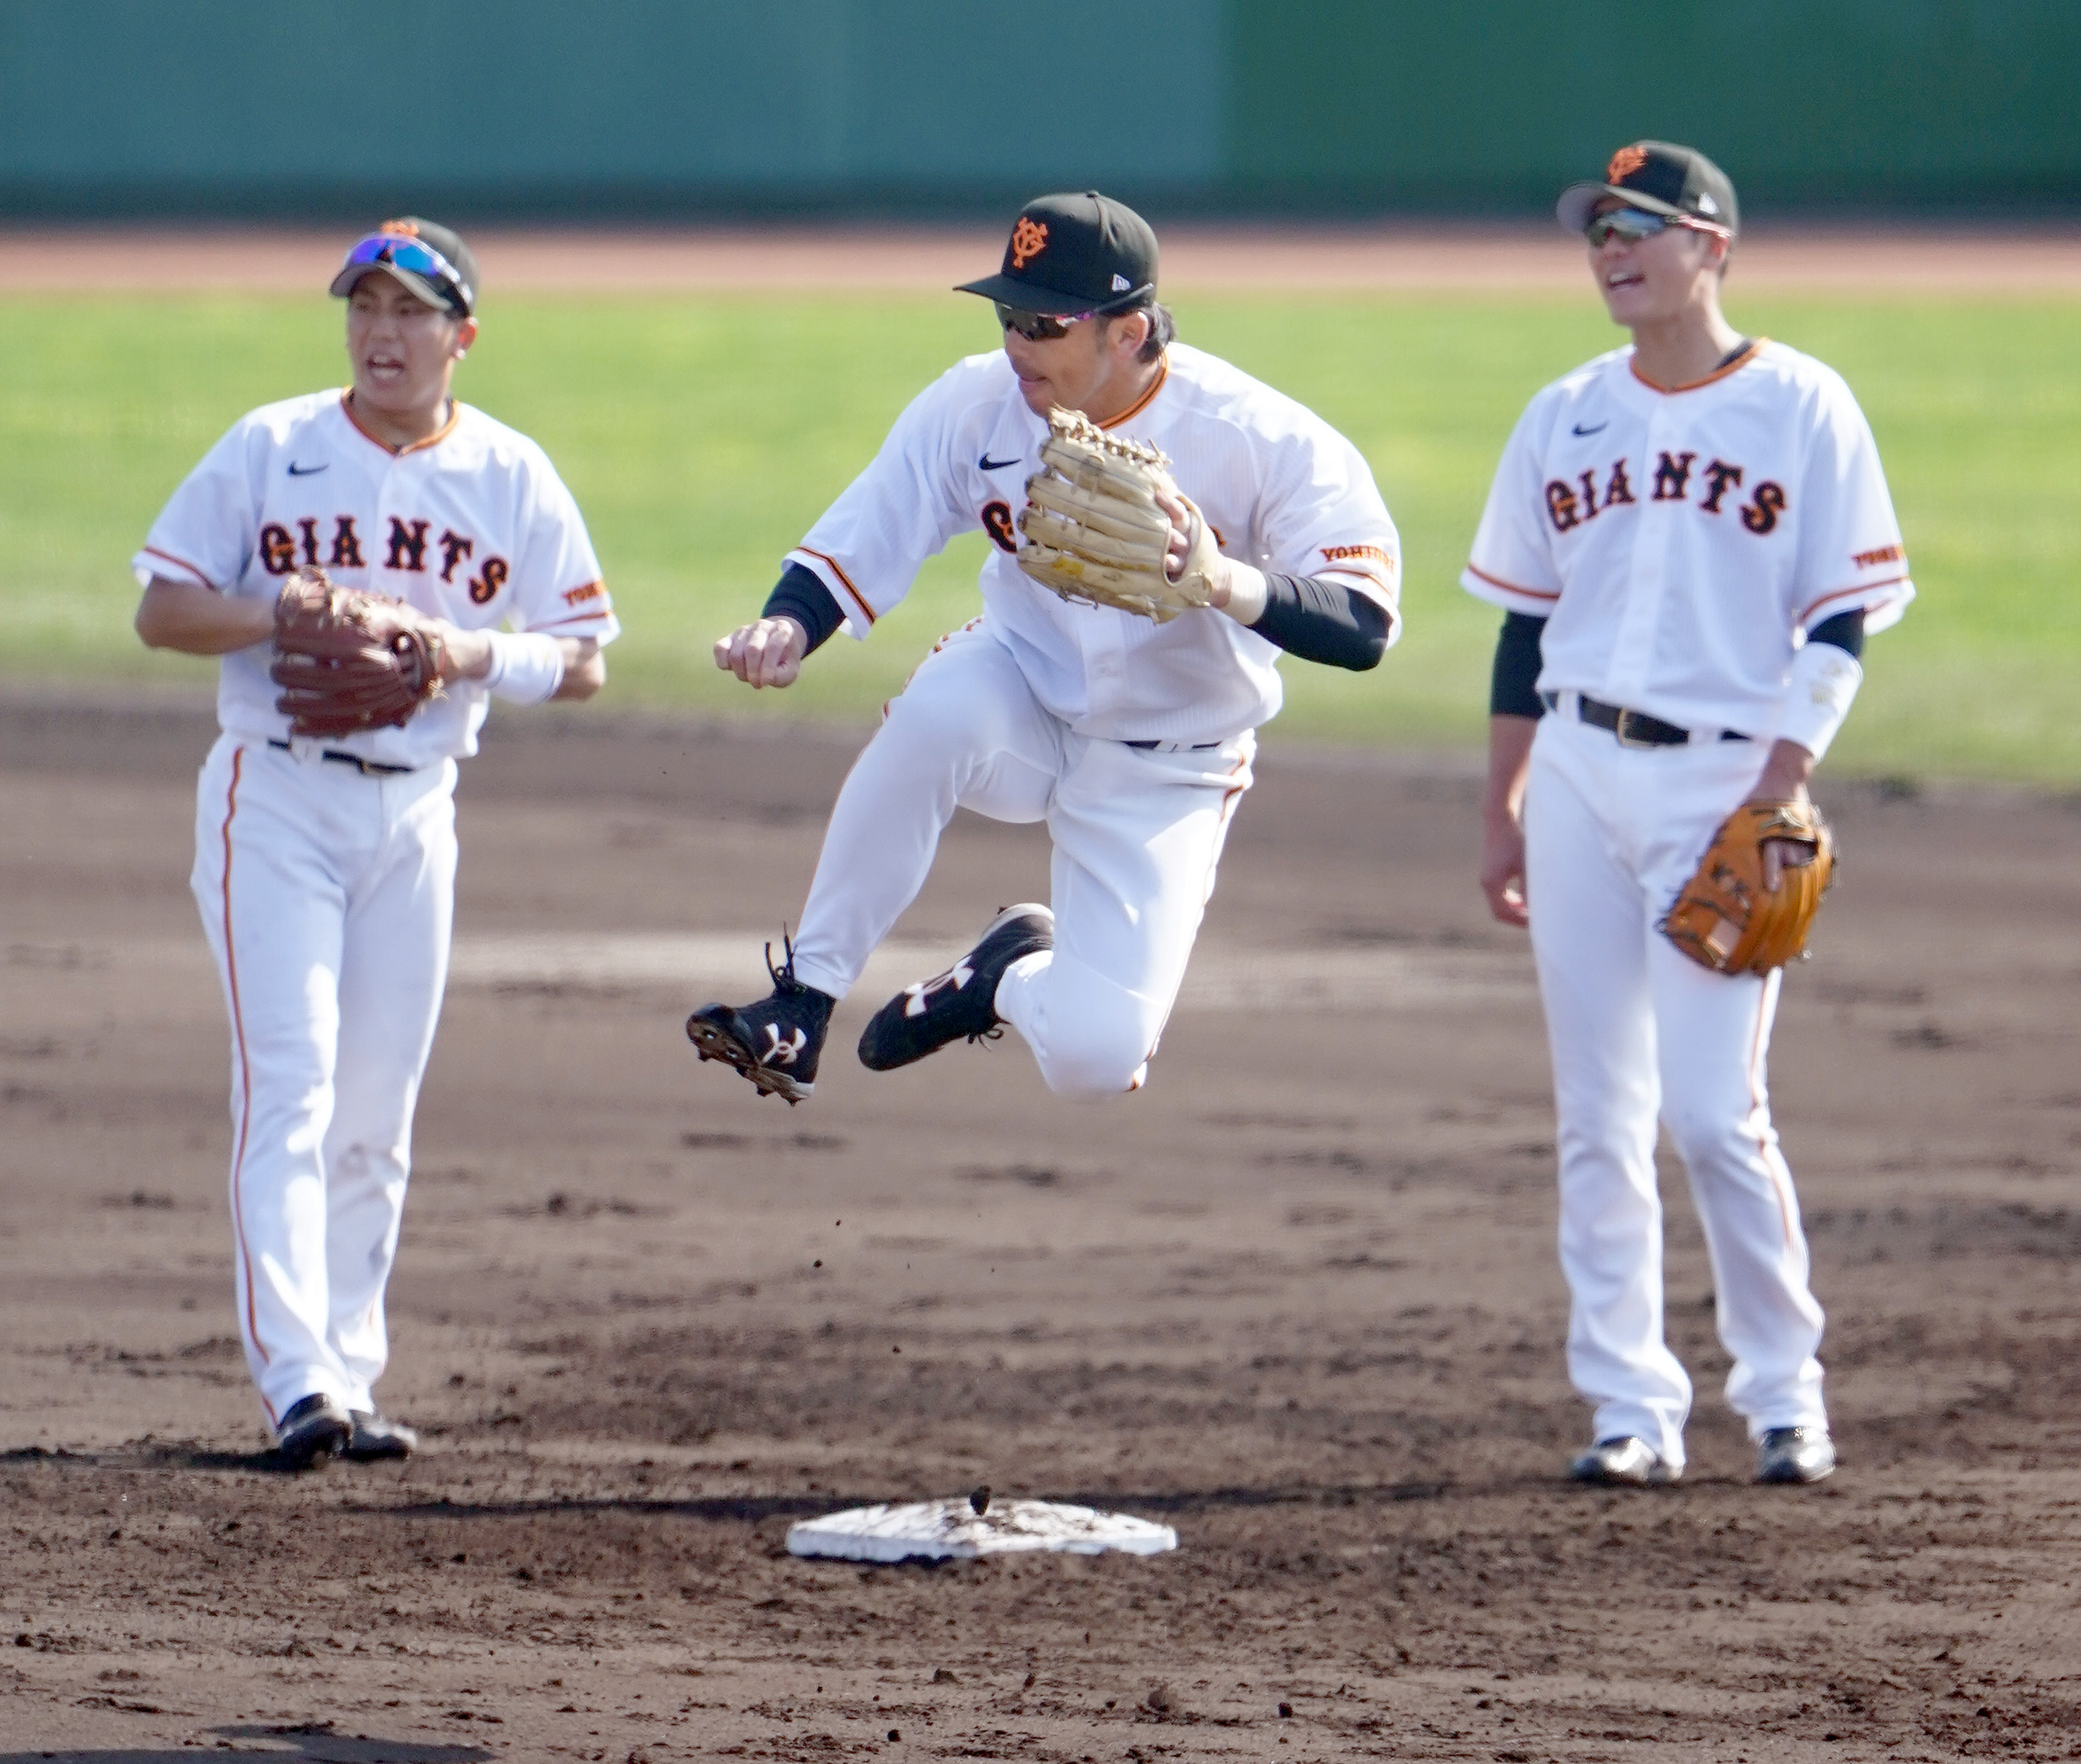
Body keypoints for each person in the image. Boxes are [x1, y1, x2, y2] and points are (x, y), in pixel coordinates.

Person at [687, 191, 1399, 1105]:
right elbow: (867, 529)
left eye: (1044, 321)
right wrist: (788, 623)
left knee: (1095, 1063)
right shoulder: (978, 402)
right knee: (934, 716)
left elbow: (1364, 624)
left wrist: (1225, 580)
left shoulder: (1259, 439)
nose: (1017, 341)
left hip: (1171, 762)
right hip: (1019, 690)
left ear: (1130, 331)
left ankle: (1004, 974)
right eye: (1006, 313)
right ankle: (802, 1004)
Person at [132, 219, 619, 1469]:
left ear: (463, 336)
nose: (381, 333)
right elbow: (162, 606)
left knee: (377, 1111)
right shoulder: (273, 446)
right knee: (289, 1085)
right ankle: (297, 1378)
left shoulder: (512, 473)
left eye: (410, 311)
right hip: (274, 798)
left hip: (417, 813)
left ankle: (351, 1367)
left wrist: (463, 653)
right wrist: (276, 609)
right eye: (364, 307)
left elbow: (582, 658)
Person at [1464, 144, 1913, 1487]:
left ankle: (1785, 1391)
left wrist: (1784, 769)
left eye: (1638, 227)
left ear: (1713, 247)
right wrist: (1501, 806)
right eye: (1597, 229)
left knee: (1717, 1111)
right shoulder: (1563, 412)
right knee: (1598, 1111)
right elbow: (1521, 629)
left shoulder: (1801, 406)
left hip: (1728, 785)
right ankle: (1627, 1405)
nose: (1610, 248)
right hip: (1579, 781)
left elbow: (1841, 617)